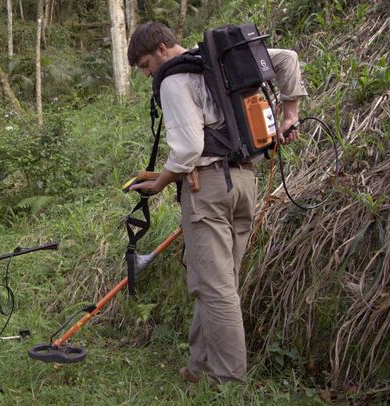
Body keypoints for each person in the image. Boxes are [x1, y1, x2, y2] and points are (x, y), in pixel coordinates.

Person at [126, 22, 308, 383]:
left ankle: (226, 380)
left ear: (162, 48)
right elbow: (287, 60)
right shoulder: (220, 59)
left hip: (207, 187)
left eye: (146, 64)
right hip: (244, 182)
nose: (148, 73)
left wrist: (159, 182)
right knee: (220, 283)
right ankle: (200, 365)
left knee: (214, 286)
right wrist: (290, 116)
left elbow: (190, 148)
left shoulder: (174, 80)